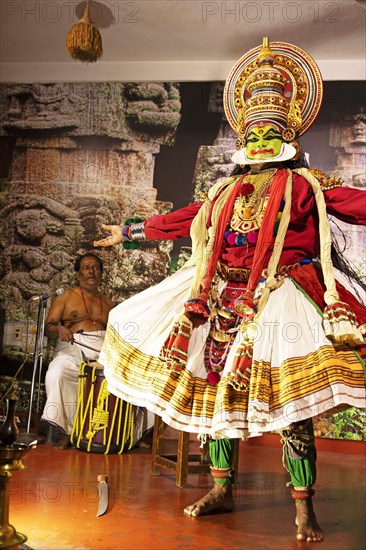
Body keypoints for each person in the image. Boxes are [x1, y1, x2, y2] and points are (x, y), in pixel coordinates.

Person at [94, 38, 366, 542]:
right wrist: (130, 232)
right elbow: (187, 219)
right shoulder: (225, 191)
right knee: (212, 401)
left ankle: (304, 507)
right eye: (255, 131)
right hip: (218, 297)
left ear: (288, 135)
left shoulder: (308, 185)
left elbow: (356, 203)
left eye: (271, 131)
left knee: (291, 409)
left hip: (281, 295)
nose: (261, 138)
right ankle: (221, 488)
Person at [41, 253, 114, 449]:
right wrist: (59, 329)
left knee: (126, 378)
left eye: (95, 267)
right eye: (86, 267)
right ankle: (66, 431)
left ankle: (121, 434)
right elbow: (49, 327)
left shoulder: (108, 303)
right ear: (77, 274)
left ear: (101, 274)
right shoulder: (65, 295)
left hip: (101, 351)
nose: (91, 271)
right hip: (73, 347)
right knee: (57, 372)